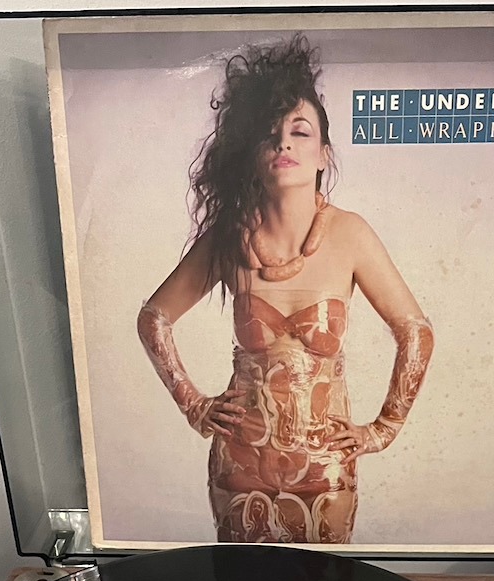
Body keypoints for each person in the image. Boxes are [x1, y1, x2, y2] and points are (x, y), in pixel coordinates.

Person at [137, 34, 433, 545]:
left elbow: (417, 332)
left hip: (327, 467)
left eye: (300, 132)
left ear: (323, 155)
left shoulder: (350, 234)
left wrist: (382, 429)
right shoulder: (229, 238)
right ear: (252, 153)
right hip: (239, 464)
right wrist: (194, 404)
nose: (284, 144)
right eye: (270, 134)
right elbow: (154, 318)